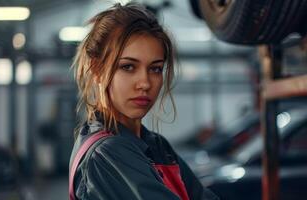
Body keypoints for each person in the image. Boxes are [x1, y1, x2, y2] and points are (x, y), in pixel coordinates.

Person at [69, 3, 220, 200]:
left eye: (155, 69)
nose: (145, 83)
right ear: (97, 69)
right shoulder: (106, 153)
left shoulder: (157, 146)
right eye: (128, 67)